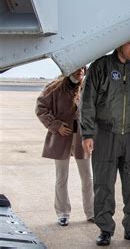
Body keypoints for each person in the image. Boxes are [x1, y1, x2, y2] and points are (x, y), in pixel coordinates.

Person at [80, 37, 130, 246]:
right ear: (119, 42)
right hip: (105, 133)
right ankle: (105, 229)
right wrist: (87, 134)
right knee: (104, 184)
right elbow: (87, 102)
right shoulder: (101, 66)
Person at [35, 67, 94, 227]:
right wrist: (55, 125)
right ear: (68, 68)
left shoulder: (88, 86)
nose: (80, 71)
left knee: (87, 177)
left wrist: (91, 133)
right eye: (77, 68)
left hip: (82, 137)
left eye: (83, 68)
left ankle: (91, 212)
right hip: (61, 136)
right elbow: (41, 108)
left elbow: (95, 110)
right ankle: (62, 213)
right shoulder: (54, 86)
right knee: (62, 177)